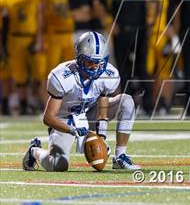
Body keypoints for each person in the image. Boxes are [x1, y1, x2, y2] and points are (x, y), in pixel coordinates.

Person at [22, 31, 140, 171]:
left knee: (126, 102)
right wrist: (72, 130)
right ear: (79, 58)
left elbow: (102, 108)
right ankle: (34, 151)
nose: (95, 67)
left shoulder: (109, 74)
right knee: (58, 165)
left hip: (89, 113)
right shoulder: (62, 76)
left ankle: (120, 156)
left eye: (99, 62)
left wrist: (101, 137)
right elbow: (48, 117)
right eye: (90, 62)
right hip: (65, 120)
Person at [100, 0, 157, 111]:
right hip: (121, 32)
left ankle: (149, 106)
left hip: (140, 31)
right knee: (123, 69)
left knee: (142, 68)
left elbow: (156, 1)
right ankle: (127, 106)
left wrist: (152, 20)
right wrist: (109, 22)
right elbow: (99, 4)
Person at [2, 0, 46, 114]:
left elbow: (40, 17)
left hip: (32, 38)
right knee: (19, 75)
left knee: (38, 75)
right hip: (14, 38)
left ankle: (39, 104)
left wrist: (39, 39)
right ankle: (23, 104)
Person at [42, 0, 76, 73]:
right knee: (51, 73)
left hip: (72, 34)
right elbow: (40, 13)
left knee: (74, 72)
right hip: (53, 36)